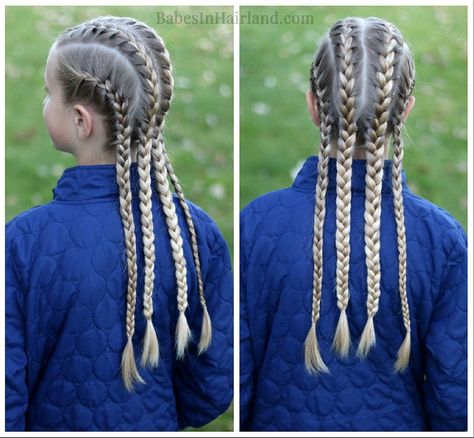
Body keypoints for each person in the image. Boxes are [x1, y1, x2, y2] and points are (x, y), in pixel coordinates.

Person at [6, 16, 233, 431]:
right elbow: (214, 382)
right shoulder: (194, 234)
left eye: (47, 93)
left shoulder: (23, 243)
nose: (43, 102)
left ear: (80, 120)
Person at [240, 16, 467, 431]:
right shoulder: (442, 240)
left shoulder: (257, 226)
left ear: (313, 105)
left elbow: (236, 378)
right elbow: (456, 394)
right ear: (407, 110)